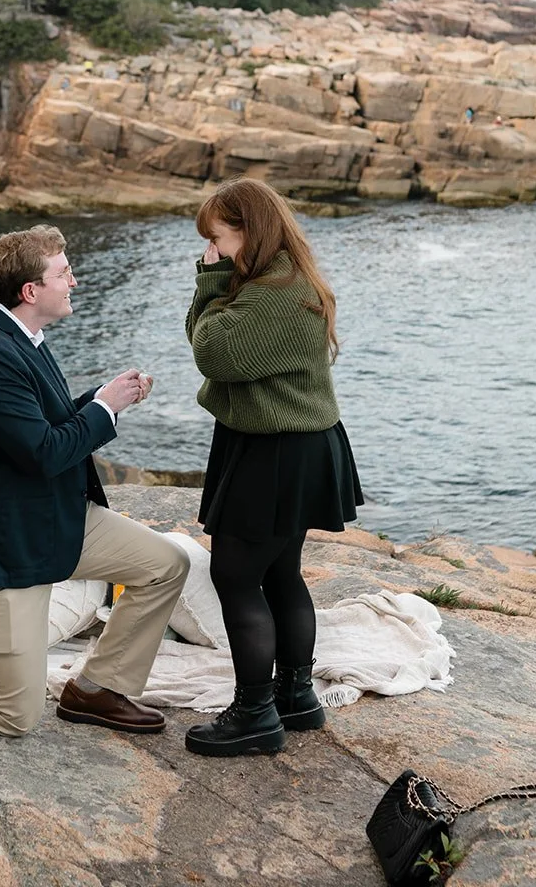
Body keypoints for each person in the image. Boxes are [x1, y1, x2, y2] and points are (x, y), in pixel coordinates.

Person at [0, 224, 190, 738]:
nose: (74, 280)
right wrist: (103, 410)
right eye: (64, 272)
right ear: (31, 291)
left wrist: (103, 396)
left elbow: (41, 427)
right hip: (5, 548)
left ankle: (97, 689)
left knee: (166, 564)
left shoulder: (23, 338)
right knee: (15, 716)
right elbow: (44, 453)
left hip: (56, 520)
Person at [183, 178, 363, 757]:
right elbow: (210, 338)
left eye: (218, 237)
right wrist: (218, 283)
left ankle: (256, 713)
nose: (213, 251)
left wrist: (209, 283)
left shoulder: (276, 291)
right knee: (281, 573)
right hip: (292, 445)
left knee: (235, 576)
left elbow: (212, 351)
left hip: (277, 451)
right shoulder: (280, 278)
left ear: (248, 229)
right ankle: (296, 696)